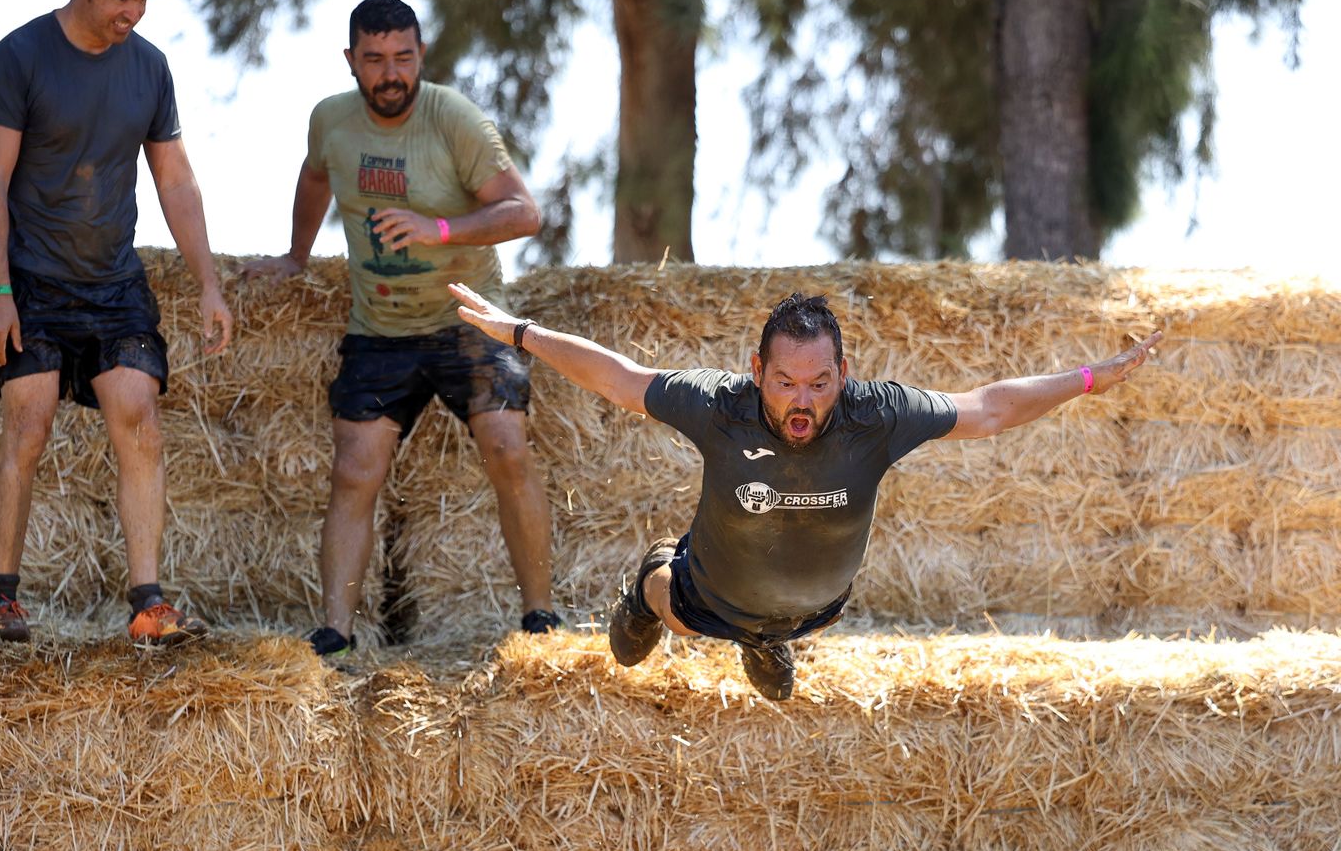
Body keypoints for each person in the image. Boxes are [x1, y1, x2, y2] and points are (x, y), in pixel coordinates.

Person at [448, 282, 1162, 699]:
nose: (802, 400)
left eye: (819, 384)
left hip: (815, 607)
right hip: (709, 595)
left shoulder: (876, 414)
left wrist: (1093, 377)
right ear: (756, 368)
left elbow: (992, 408)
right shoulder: (720, 404)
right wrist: (517, 331)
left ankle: (767, 639)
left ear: (843, 374)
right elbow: (622, 379)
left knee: (783, 650)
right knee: (670, 628)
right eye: (785, 381)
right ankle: (646, 584)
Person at [242, 0, 558, 657]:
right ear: (352, 61)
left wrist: (438, 229)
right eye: (376, 60)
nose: (391, 73)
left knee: (507, 445)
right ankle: (334, 634)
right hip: (379, 327)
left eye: (404, 58)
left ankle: (540, 618)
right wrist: (296, 257)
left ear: (421, 56)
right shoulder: (331, 120)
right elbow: (314, 176)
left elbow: (524, 212)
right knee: (355, 469)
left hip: (468, 312)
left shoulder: (454, 119)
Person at [0, 0, 233, 644]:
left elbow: (175, 179)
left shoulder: (149, 68)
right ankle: (2, 603)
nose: (134, 13)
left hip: (114, 283)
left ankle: (149, 605)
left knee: (139, 416)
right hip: (33, 280)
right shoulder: (18, 57)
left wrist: (209, 284)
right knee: (28, 420)